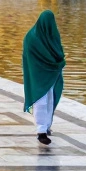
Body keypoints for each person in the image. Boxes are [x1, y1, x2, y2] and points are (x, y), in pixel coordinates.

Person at [22, 10, 65, 145]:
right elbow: (28, 57)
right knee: (41, 100)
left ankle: (46, 126)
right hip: (37, 75)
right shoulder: (32, 38)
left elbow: (59, 52)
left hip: (50, 74)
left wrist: (56, 64)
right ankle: (41, 131)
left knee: (50, 100)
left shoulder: (52, 35)